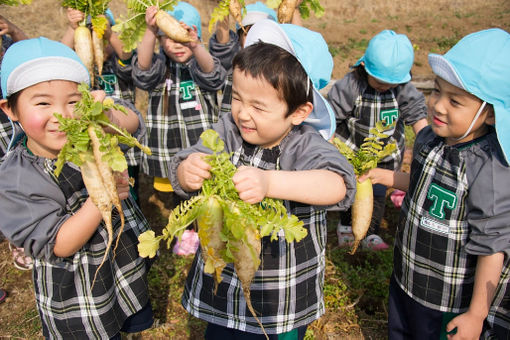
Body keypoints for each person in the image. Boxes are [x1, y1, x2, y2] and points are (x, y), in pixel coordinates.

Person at [168, 19, 356, 339]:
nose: (242, 113)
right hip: (225, 283)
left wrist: (270, 183)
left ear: (298, 112)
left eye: (258, 106)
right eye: (238, 97)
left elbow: (339, 184)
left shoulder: (306, 144)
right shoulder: (228, 130)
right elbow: (189, 160)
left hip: (281, 293)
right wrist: (188, 171)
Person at [359, 28, 510, 339]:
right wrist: (386, 177)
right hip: (408, 278)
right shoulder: (430, 138)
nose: (438, 105)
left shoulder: (489, 169)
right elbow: (423, 185)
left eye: (455, 101)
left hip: (447, 297)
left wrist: (477, 313)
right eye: (437, 91)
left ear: (491, 114)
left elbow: (492, 247)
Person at [0, 37, 154, 339]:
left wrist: (106, 117)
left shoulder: (91, 132)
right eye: (43, 103)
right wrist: (101, 200)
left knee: (126, 317)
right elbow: (60, 244)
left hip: (121, 268)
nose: (64, 115)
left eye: (73, 102)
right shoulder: (16, 177)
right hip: (79, 293)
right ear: (10, 109)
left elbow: (133, 120)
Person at [328, 29, 428, 251]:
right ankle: (346, 226)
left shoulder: (403, 89)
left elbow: (417, 115)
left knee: (379, 193)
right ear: (364, 67)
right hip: (354, 152)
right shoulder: (351, 86)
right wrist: (332, 147)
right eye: (379, 81)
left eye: (390, 84)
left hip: (385, 154)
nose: (384, 86)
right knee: (351, 188)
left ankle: (370, 233)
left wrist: (427, 141)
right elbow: (332, 117)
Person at [132, 1, 226, 200]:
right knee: (180, 198)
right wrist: (150, 30)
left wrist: (195, 45)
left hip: (202, 146)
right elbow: (142, 71)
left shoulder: (200, 64)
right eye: (169, 38)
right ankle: (185, 231)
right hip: (170, 148)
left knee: (211, 195)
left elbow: (215, 76)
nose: (177, 45)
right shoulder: (159, 67)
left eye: (183, 40)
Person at [60, 8, 142, 203]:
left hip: (122, 140)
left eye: (101, 39)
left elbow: (127, 53)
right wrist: (74, 29)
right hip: (90, 146)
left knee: (127, 187)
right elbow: (59, 56)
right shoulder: (75, 72)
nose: (97, 44)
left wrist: (108, 32)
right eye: (88, 39)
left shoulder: (120, 64)